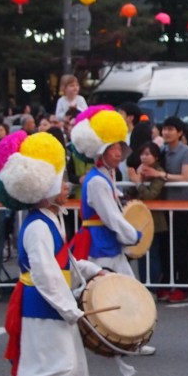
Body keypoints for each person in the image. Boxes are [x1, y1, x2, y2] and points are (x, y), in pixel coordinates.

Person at [0, 131, 104, 376]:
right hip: (43, 304)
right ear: (46, 189)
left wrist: (95, 272)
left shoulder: (52, 219)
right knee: (61, 366)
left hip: (55, 302)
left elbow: (65, 262)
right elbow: (45, 274)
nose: (69, 185)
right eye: (63, 180)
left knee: (76, 369)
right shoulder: (38, 226)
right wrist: (70, 309)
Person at [69, 107, 141, 279]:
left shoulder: (105, 175)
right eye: (112, 148)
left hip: (107, 244)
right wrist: (132, 235)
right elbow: (111, 216)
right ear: (101, 151)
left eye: (119, 147)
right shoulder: (97, 181)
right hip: (100, 246)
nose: (118, 152)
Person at [139, 116, 188, 303]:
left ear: (180, 132)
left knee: (180, 246)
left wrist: (159, 175)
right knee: (164, 248)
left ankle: (183, 285)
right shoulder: (161, 151)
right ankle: (165, 283)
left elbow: (185, 177)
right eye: (164, 129)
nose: (167, 132)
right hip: (160, 207)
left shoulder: (187, 152)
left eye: (171, 129)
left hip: (181, 206)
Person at [128, 142, 167, 288]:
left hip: (154, 220)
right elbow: (132, 193)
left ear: (156, 156)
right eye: (142, 154)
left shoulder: (158, 172)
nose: (144, 157)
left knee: (153, 254)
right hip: (139, 219)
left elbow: (151, 195)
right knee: (141, 254)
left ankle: (153, 287)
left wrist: (138, 183)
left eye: (148, 154)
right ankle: (144, 284)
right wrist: (135, 180)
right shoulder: (141, 171)